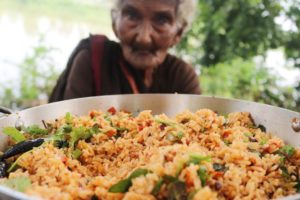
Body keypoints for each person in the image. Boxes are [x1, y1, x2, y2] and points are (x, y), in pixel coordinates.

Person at [49, 0, 200, 102]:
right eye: (132, 16)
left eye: (161, 21)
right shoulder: (93, 60)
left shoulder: (182, 77)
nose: (144, 38)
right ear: (114, 22)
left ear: (178, 33)